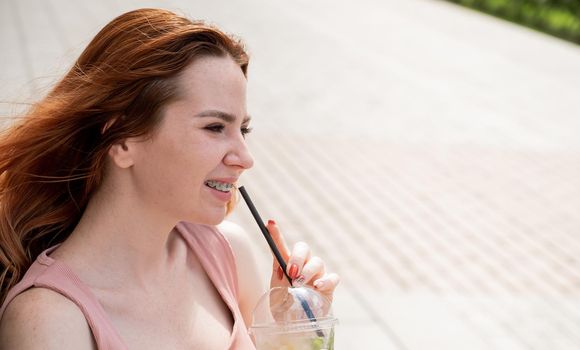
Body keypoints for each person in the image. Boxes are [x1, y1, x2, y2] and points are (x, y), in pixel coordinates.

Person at [0, 8, 339, 349]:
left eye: (242, 129)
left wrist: (291, 332)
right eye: (214, 127)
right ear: (121, 140)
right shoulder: (49, 320)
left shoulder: (230, 255)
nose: (245, 158)